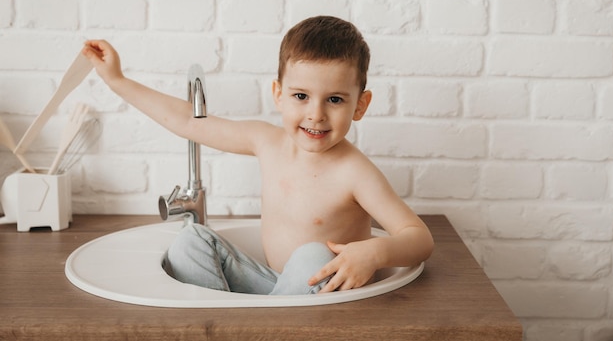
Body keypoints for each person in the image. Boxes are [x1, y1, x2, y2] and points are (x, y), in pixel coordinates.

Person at [83, 16, 434, 295]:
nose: (316, 114)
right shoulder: (267, 141)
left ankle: (262, 329)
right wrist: (117, 80)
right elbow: (189, 121)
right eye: (301, 96)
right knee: (191, 241)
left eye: (335, 99)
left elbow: (418, 237)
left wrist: (373, 253)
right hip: (273, 288)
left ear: (360, 105)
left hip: (323, 299)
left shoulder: (354, 172)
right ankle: (225, 326)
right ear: (279, 94)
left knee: (313, 255)